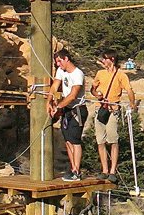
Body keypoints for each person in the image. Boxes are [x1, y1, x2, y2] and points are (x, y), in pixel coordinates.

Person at [90, 51, 138, 183]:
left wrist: (132, 103)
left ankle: (112, 171)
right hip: (100, 109)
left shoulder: (121, 75)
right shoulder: (100, 73)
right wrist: (97, 94)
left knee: (113, 140)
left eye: (105, 59)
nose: (103, 61)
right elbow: (92, 89)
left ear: (112, 59)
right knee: (100, 141)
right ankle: (104, 170)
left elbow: (129, 90)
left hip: (113, 109)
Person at [47, 49, 88, 182]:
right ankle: (73, 168)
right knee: (68, 139)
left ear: (66, 59)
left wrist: (58, 106)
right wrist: (49, 101)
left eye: (59, 61)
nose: (58, 64)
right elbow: (54, 86)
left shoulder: (78, 74)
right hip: (67, 109)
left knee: (75, 140)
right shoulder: (61, 71)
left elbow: (72, 95)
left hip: (77, 109)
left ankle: (77, 170)